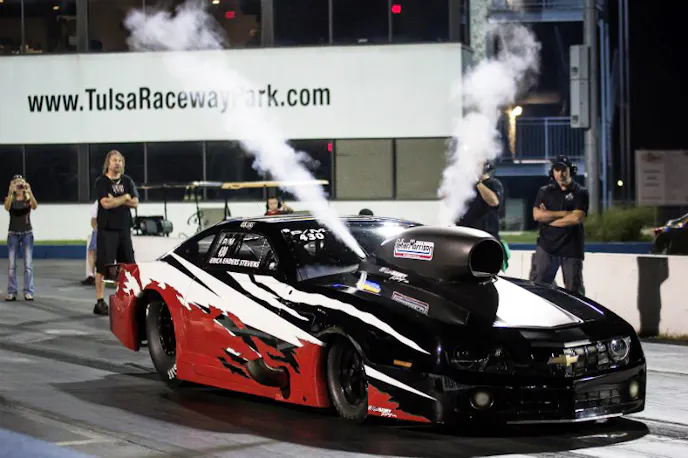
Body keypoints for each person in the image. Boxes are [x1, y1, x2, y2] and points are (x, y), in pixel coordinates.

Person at [529, 155, 589, 295]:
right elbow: (537, 215)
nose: (560, 174)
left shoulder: (580, 192)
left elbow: (577, 218)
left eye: (564, 170)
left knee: (574, 292)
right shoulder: (544, 191)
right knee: (538, 289)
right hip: (546, 247)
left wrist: (549, 219)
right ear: (553, 172)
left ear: (570, 171)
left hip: (571, 249)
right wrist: (565, 213)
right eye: (557, 170)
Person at [93, 150, 139, 315]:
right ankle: (100, 301)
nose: (117, 163)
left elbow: (135, 203)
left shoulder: (127, 181)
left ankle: (123, 298)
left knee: (126, 265)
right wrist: (125, 197)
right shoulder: (101, 182)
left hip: (124, 229)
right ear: (108, 163)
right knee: (104, 266)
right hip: (107, 230)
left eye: (120, 160)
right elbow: (106, 204)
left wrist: (117, 200)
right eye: (114, 160)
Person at [4, 175, 38, 301]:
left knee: (28, 265)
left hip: (27, 233)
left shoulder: (27, 198)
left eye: (21, 184)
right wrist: (10, 192)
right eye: (17, 184)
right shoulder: (11, 199)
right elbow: (6, 207)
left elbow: (35, 206)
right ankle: (12, 291)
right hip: (13, 233)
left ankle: (28, 291)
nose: (19, 187)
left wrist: (30, 191)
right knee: (12, 265)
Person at [454, 162, 504, 240]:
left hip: (486, 234)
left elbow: (494, 202)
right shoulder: (467, 187)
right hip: (467, 232)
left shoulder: (493, 183)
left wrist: (477, 182)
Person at [81, 200, 98, 285]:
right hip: (99, 229)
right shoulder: (98, 203)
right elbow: (93, 219)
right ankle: (91, 275)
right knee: (91, 250)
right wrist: (96, 229)